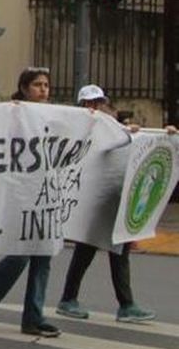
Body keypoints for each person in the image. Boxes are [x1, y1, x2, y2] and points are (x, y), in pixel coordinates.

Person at [0, 66, 61, 337]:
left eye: (46, 85)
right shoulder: (12, 113)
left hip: (45, 194)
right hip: (19, 195)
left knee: (43, 254)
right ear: (23, 88)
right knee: (20, 255)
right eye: (37, 85)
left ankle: (33, 316)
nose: (43, 90)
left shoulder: (54, 115)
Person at [56, 84, 158, 323]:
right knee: (86, 251)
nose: (95, 107)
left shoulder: (116, 129)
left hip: (113, 202)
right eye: (90, 103)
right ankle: (70, 299)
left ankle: (125, 304)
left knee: (118, 251)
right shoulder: (78, 130)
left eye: (98, 102)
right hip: (91, 203)